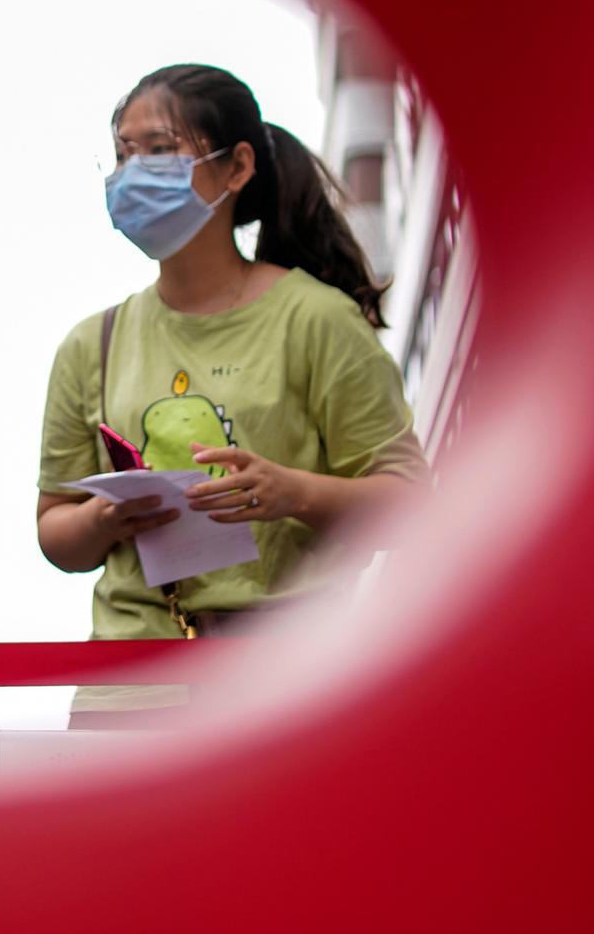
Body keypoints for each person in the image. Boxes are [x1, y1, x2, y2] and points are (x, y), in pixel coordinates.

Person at [35, 63, 429, 726]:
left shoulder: (318, 320)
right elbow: (55, 531)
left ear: (237, 166)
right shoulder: (90, 343)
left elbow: (411, 503)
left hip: (290, 690)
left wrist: (290, 492)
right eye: (122, 154)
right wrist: (105, 520)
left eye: (159, 149)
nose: (132, 173)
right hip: (128, 696)